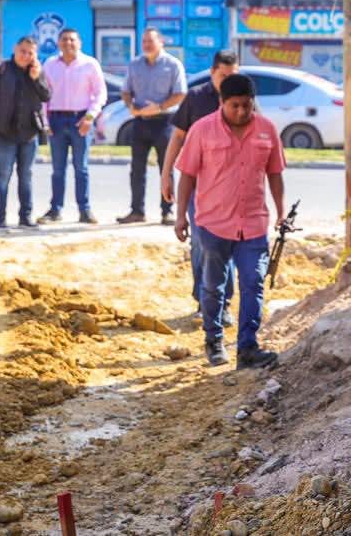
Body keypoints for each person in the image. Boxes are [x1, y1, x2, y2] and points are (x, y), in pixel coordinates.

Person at [174, 73, 285, 370]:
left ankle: (247, 347)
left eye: (247, 105)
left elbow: (275, 174)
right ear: (222, 102)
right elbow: (187, 176)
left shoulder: (267, 130)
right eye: (234, 105)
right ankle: (213, 340)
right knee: (213, 286)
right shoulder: (202, 130)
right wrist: (180, 216)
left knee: (253, 282)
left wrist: (281, 211)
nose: (241, 111)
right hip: (212, 224)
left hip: (253, 224)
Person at [161, 49, 240, 323]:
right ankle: (203, 300)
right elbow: (177, 138)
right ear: (213, 72)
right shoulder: (195, 98)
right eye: (223, 76)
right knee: (201, 243)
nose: (229, 81)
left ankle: (223, 304)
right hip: (197, 185)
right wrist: (166, 175)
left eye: (233, 75)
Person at [116, 28, 186, 225]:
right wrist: (130, 106)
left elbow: (180, 93)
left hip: (165, 122)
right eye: (144, 41)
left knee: (166, 167)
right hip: (140, 122)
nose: (147, 45)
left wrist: (160, 107)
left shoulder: (173, 64)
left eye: (150, 41)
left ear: (161, 42)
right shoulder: (135, 64)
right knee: (137, 169)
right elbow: (126, 91)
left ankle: (167, 211)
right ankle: (137, 211)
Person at [38, 27, 106, 225]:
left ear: (79, 43)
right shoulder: (50, 64)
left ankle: (84, 210)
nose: (68, 43)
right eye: (64, 39)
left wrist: (90, 117)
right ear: (58, 43)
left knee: (81, 168)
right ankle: (55, 210)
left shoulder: (90, 64)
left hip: (81, 120)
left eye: (72, 40)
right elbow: (44, 95)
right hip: (56, 120)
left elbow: (100, 93)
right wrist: (45, 122)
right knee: (58, 169)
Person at [0, 36, 51, 229]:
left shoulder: (36, 71)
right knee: (3, 175)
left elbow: (46, 96)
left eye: (30, 53)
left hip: (29, 134)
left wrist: (36, 79)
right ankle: (0, 219)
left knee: (26, 176)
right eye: (23, 51)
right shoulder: (0, 69)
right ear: (15, 49)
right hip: (6, 133)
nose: (25, 56)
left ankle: (25, 216)